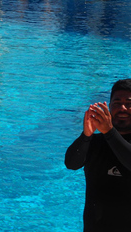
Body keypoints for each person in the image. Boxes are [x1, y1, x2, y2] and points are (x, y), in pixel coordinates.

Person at [65, 79, 131, 231]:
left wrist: (109, 132)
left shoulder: (108, 135)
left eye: (129, 103)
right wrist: (86, 135)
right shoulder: (95, 142)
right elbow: (71, 163)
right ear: (109, 107)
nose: (122, 108)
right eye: (116, 103)